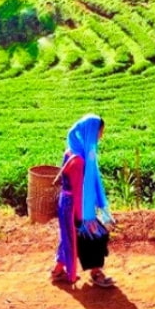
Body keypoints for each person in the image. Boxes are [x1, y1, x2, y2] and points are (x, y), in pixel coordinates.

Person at [51, 114, 115, 288]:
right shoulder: (79, 161)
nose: (100, 137)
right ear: (90, 132)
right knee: (94, 236)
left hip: (67, 202)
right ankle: (96, 272)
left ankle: (58, 271)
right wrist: (84, 219)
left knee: (69, 238)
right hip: (75, 206)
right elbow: (79, 190)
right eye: (99, 133)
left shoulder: (73, 150)